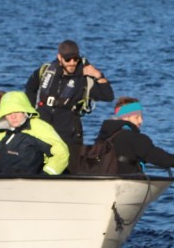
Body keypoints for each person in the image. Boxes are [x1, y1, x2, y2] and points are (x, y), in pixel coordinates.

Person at [25, 40, 113, 172]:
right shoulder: (47, 70)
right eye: (68, 59)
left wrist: (99, 76)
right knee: (39, 165)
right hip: (44, 127)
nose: (72, 63)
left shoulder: (84, 77)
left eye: (75, 59)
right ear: (59, 57)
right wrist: (31, 113)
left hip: (69, 131)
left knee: (69, 168)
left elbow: (108, 96)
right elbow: (30, 88)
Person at [92, 97, 174, 174]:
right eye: (137, 117)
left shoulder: (103, 136)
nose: (141, 121)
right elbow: (164, 160)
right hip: (126, 183)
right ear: (125, 117)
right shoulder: (135, 138)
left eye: (141, 117)